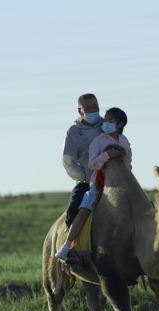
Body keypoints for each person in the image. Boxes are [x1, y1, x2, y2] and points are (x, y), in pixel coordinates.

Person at [55, 107, 132, 262]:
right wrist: (107, 155)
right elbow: (92, 165)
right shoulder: (98, 141)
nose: (106, 123)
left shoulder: (124, 142)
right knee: (84, 209)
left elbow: (128, 164)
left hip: (120, 185)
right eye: (106, 120)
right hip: (98, 185)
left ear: (120, 124)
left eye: (110, 121)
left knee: (142, 205)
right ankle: (67, 245)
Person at [62, 93, 104, 229]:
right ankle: (73, 247)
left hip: (113, 178)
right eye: (88, 108)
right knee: (72, 215)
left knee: (142, 206)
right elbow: (69, 162)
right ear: (80, 110)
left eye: (95, 107)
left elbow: (124, 147)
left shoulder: (107, 125)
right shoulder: (74, 132)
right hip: (87, 183)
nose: (93, 111)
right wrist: (85, 176)